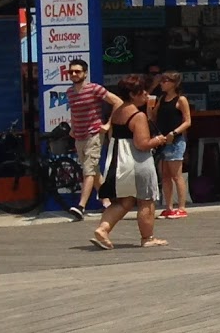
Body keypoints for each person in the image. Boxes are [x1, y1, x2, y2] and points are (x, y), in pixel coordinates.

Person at [89, 75, 171, 250]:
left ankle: (103, 229)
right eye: (142, 92)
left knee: (123, 201)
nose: (146, 95)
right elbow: (142, 144)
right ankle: (147, 237)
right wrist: (158, 140)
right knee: (146, 199)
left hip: (118, 159)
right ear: (134, 94)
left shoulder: (118, 110)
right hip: (136, 161)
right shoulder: (137, 115)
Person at [64, 58, 113, 218]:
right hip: (79, 136)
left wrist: (107, 125)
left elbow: (118, 102)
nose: (74, 74)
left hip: (94, 134)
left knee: (88, 171)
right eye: (71, 71)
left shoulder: (95, 89)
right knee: (94, 171)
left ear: (85, 73)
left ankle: (81, 206)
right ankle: (109, 203)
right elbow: (73, 111)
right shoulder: (70, 92)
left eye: (77, 71)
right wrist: (73, 127)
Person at [152, 71, 192, 218]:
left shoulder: (181, 99)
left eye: (165, 81)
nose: (162, 83)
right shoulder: (162, 99)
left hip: (175, 140)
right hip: (162, 139)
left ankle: (181, 207)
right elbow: (153, 116)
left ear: (174, 83)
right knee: (165, 175)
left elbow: (187, 121)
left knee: (176, 175)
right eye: (161, 81)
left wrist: (174, 133)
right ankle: (168, 206)